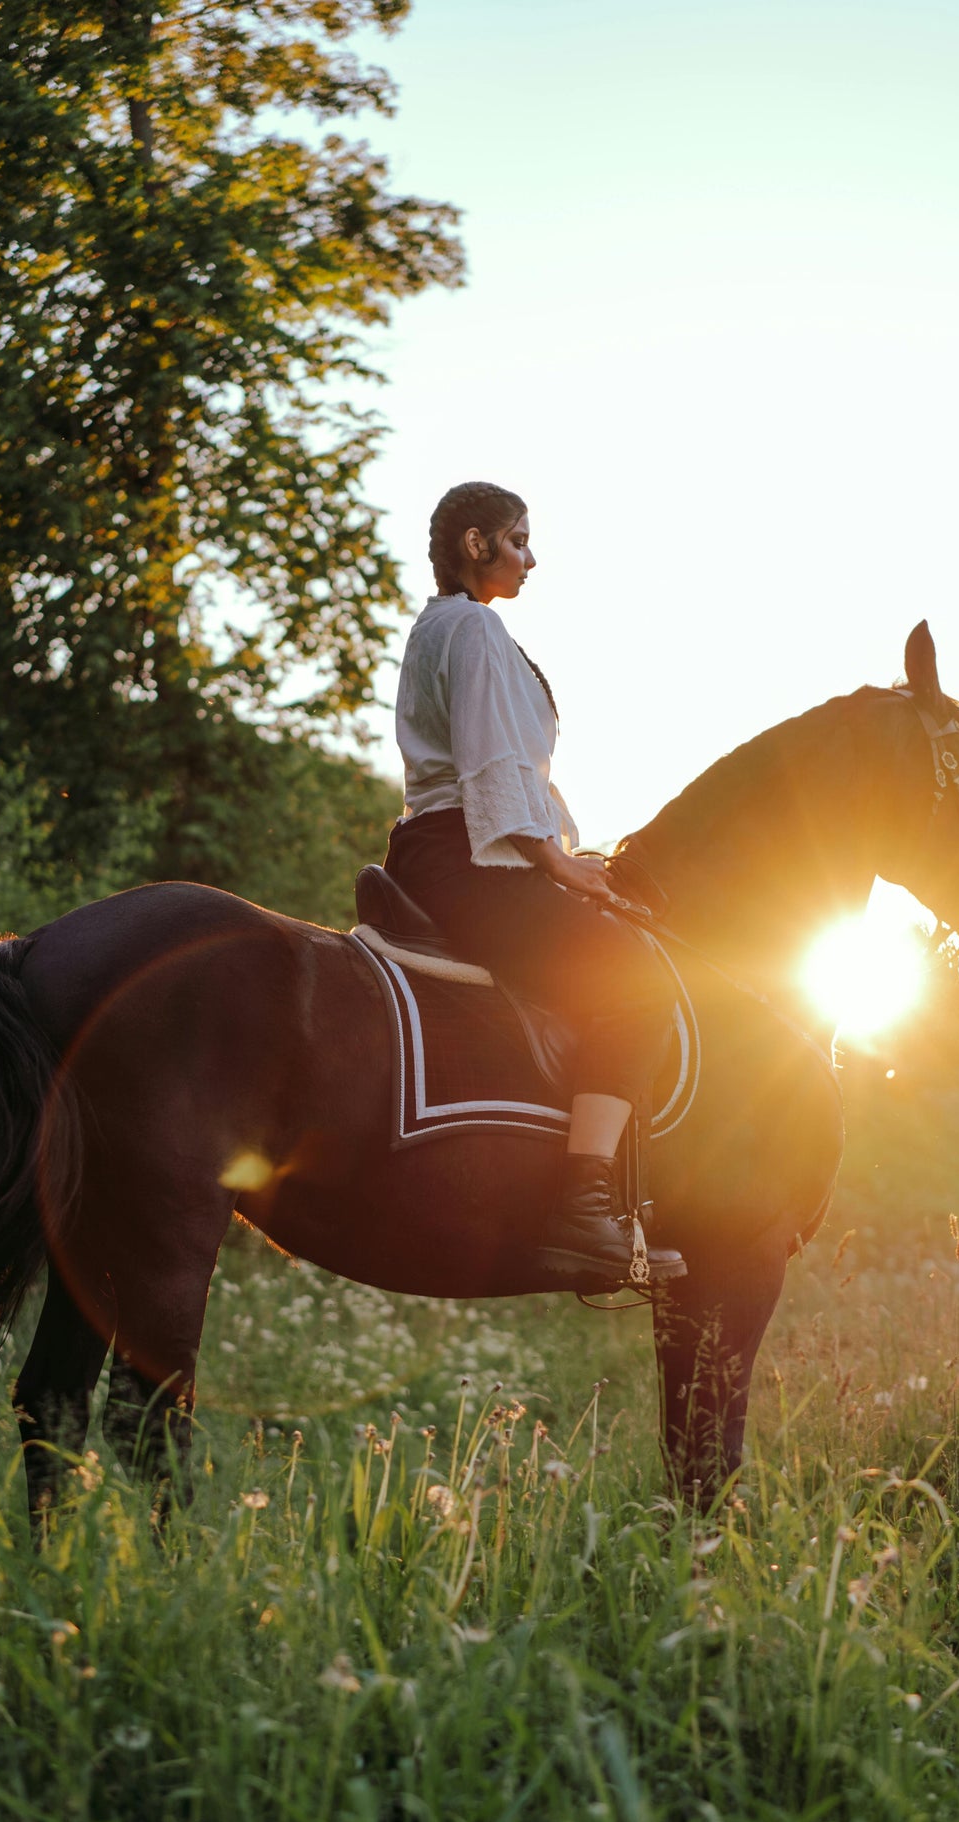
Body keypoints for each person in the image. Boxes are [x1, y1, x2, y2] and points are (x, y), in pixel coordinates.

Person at [383, 480, 685, 1286]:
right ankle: (584, 1203)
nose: (531, 558)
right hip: (471, 852)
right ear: (475, 544)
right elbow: (491, 761)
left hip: (441, 844)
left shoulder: (437, 625)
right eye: (518, 540)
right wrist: (554, 863)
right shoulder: (475, 627)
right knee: (638, 984)